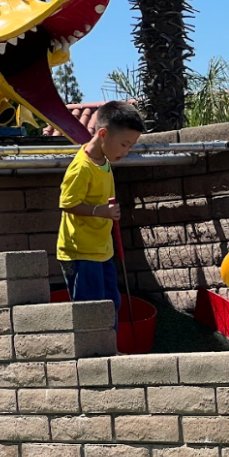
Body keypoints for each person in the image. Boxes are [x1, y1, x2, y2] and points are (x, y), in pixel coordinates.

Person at [56, 101, 145, 326]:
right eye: (124, 144)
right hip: (81, 254)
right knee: (91, 310)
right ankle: (95, 348)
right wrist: (101, 211)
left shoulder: (103, 161)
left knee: (111, 302)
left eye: (130, 146)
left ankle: (110, 345)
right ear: (103, 134)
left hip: (101, 250)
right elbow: (67, 203)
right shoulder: (81, 168)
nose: (126, 152)